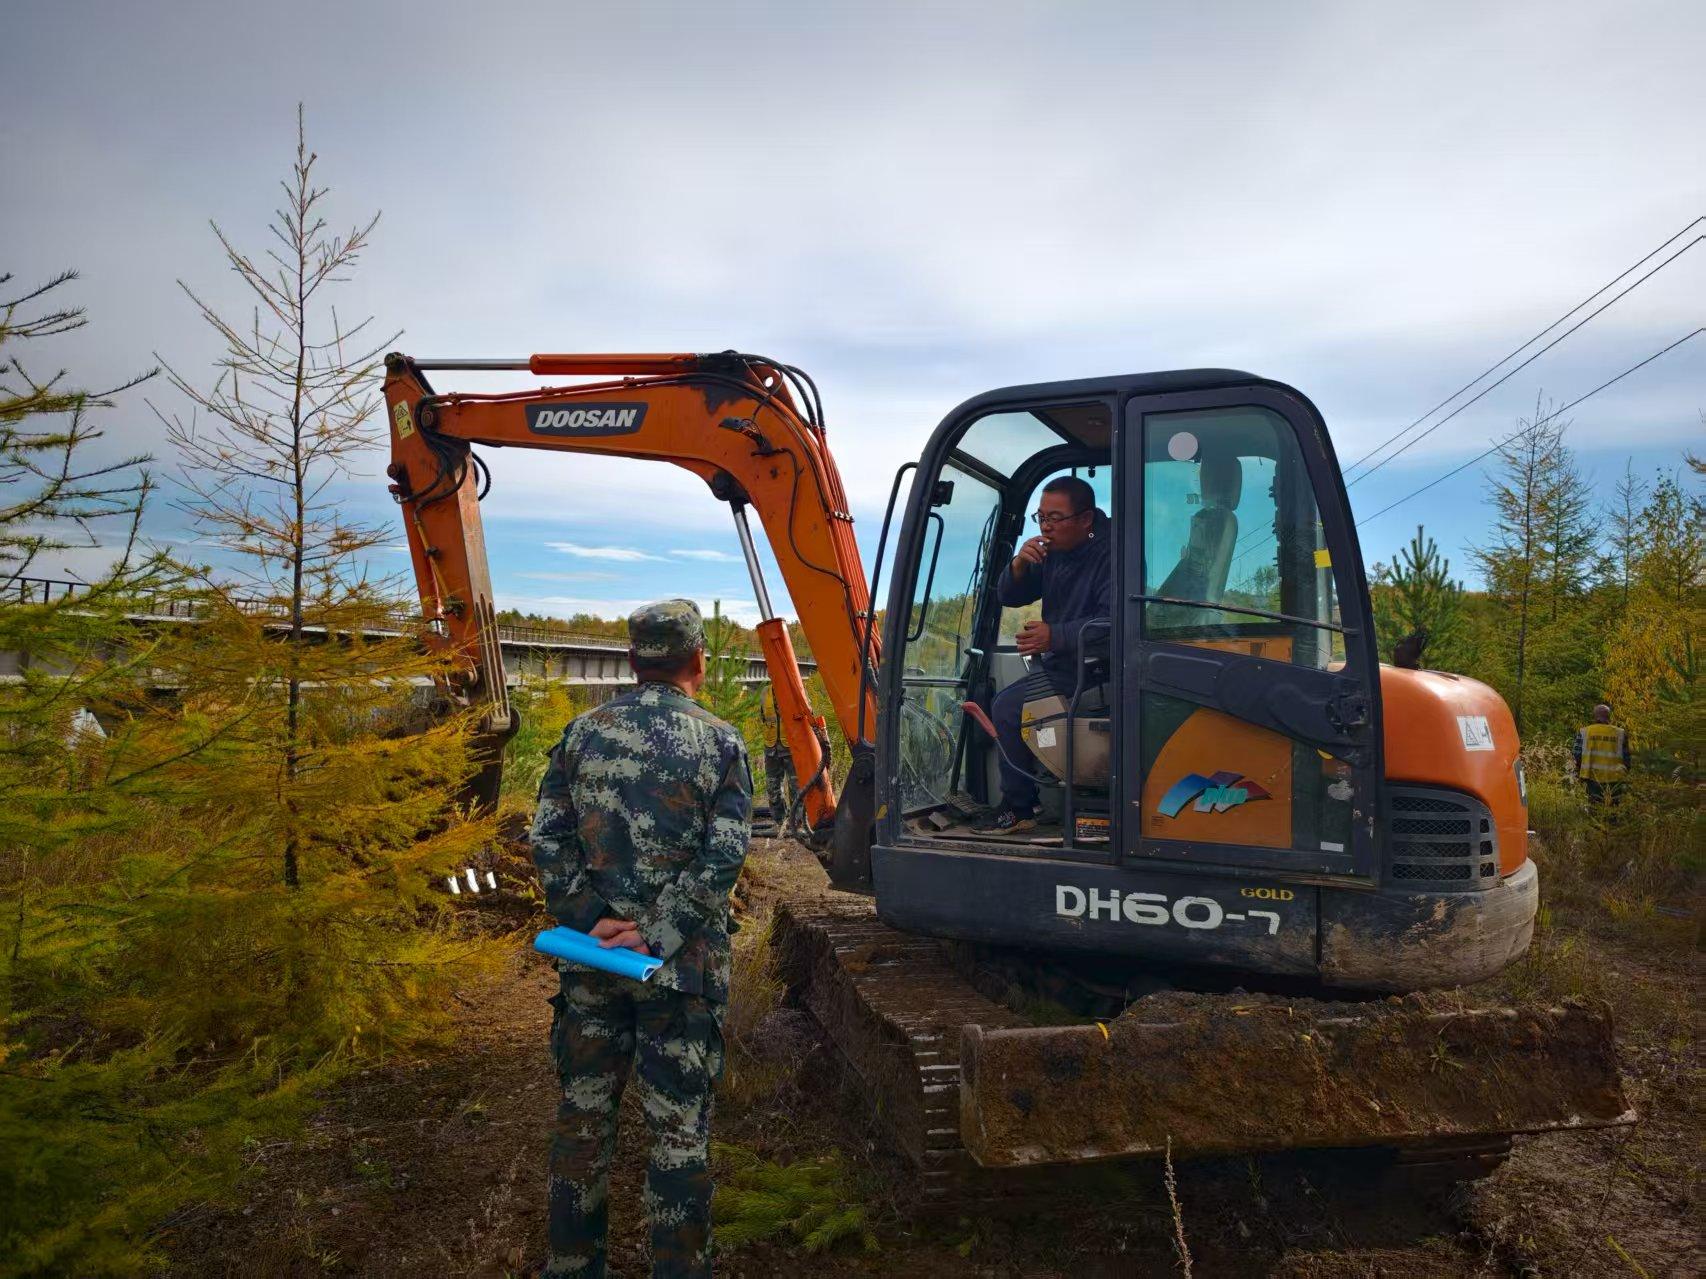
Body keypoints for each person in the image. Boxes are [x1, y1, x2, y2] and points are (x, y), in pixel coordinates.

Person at [530, 598, 752, 1279]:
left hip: (592, 964)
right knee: (678, 1135)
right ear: (699, 660)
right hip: (680, 974)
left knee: (582, 1125)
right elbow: (724, 857)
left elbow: (547, 838)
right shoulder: (720, 742)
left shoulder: (580, 735)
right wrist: (657, 933)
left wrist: (588, 915)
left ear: (632, 660)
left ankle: (571, 1266)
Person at [976, 474, 1113, 833]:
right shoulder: (1054, 552)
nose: (1046, 527)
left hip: (1100, 666)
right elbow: (1009, 596)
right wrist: (1019, 565)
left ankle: (1019, 808)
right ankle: (1034, 802)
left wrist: (1055, 636)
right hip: (1067, 661)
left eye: (1055, 518)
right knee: (1008, 702)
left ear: (1085, 518)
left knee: (1008, 708)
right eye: (1041, 518)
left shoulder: (1113, 554)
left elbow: (1116, 622)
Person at [1573, 702, 1630, 807]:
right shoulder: (1620, 733)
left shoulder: (1584, 732)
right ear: (1609, 717)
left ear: (1595, 716)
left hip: (1592, 777)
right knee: (1614, 808)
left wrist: (1579, 772)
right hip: (1615, 779)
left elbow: (1576, 755)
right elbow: (1627, 759)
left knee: (1595, 807)